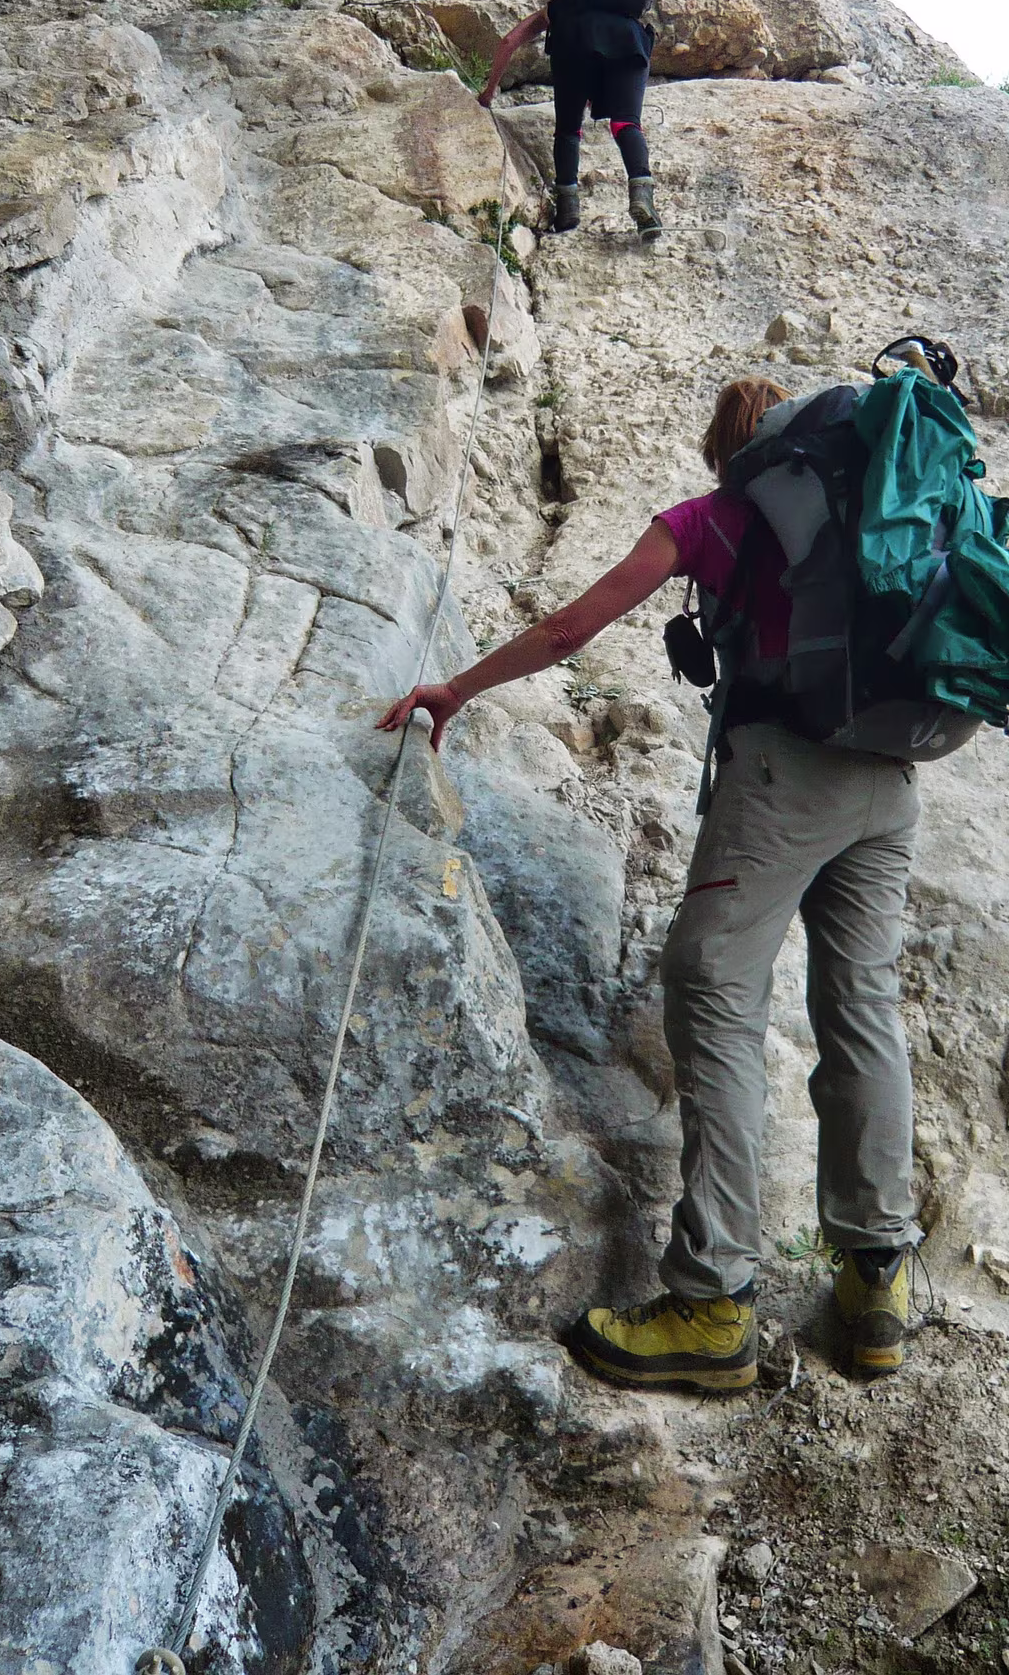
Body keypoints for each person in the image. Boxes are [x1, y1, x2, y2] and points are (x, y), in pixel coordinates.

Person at [377, 378, 923, 1392]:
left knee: (712, 989)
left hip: (785, 774)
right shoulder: (867, 517)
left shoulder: (709, 519)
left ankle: (714, 1301)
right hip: (891, 779)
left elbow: (569, 632)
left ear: (725, 451)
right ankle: (875, 1286)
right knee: (862, 1008)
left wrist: (456, 687)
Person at [478, 0, 662, 240]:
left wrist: (489, 92)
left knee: (568, 129)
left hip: (573, 48)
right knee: (625, 123)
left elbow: (509, 42)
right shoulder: (624, 13)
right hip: (630, 43)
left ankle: (567, 209)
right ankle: (642, 197)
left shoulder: (560, 7)